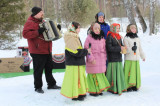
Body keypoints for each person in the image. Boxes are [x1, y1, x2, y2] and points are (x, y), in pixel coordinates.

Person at [23, 6, 61, 94]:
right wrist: (38, 32)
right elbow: (25, 34)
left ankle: (51, 84)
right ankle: (38, 87)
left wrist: (57, 29)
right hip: (37, 50)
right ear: (35, 14)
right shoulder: (30, 22)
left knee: (49, 68)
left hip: (47, 49)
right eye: (40, 12)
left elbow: (50, 32)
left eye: (42, 12)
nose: (42, 14)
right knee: (38, 70)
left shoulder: (44, 21)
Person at [60, 22, 90, 101]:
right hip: (74, 63)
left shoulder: (74, 36)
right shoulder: (71, 37)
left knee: (78, 79)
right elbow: (75, 51)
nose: (79, 30)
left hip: (77, 63)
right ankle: (75, 94)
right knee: (75, 79)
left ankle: (79, 93)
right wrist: (86, 51)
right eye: (78, 28)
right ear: (73, 28)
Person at [84, 22, 110, 96]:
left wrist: (105, 57)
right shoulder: (89, 38)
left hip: (101, 60)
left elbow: (104, 49)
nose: (97, 30)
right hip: (93, 60)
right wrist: (91, 59)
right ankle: (93, 91)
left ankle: (99, 89)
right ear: (92, 29)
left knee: (100, 75)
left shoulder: (102, 38)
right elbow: (87, 49)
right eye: (95, 28)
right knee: (93, 76)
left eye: (98, 28)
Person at [106, 23, 127, 95]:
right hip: (112, 59)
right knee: (113, 74)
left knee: (118, 73)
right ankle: (113, 88)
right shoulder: (109, 36)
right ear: (113, 28)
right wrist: (119, 48)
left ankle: (119, 86)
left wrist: (124, 47)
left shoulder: (119, 37)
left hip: (119, 57)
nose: (118, 30)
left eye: (118, 28)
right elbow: (109, 48)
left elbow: (120, 45)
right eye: (117, 28)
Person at [123, 24, 145, 91]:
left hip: (136, 59)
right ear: (129, 29)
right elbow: (125, 50)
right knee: (129, 73)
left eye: (135, 28)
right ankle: (128, 86)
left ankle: (134, 85)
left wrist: (142, 56)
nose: (134, 29)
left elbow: (140, 48)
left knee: (135, 73)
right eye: (132, 28)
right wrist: (131, 49)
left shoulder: (137, 38)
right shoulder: (126, 38)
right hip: (129, 59)